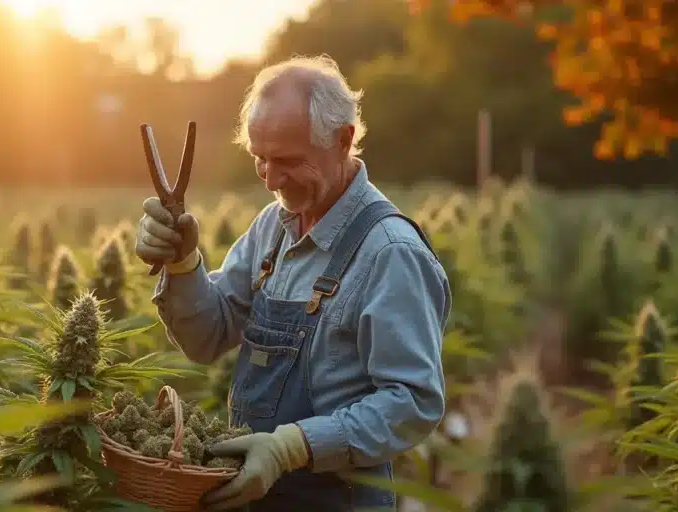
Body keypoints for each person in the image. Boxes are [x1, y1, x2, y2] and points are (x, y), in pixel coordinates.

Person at [133, 55, 451, 511]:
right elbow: (208, 337)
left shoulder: (390, 253)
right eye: (259, 159)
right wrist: (184, 264)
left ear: (344, 140)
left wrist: (293, 447)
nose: (271, 180)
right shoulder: (273, 228)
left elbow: (413, 403)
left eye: (288, 161)